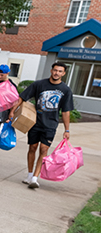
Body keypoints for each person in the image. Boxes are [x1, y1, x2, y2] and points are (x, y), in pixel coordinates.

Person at [9, 61, 73, 189]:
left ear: (64, 73)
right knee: (32, 147)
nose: (57, 73)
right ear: (51, 70)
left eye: (60, 71)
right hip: (35, 122)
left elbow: (66, 111)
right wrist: (12, 111)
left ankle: (35, 178)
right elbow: (22, 97)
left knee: (44, 149)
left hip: (50, 124)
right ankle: (30, 173)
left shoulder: (66, 90)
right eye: (55, 70)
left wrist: (67, 129)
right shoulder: (39, 84)